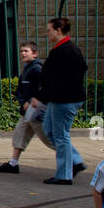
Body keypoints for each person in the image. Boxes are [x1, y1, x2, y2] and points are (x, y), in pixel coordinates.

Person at [39, 17, 87, 185]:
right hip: (59, 98)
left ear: (58, 30)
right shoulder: (66, 49)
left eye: (49, 30)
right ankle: (74, 161)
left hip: (64, 99)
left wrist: (44, 96)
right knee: (49, 130)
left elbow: (56, 78)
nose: (48, 34)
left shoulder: (65, 50)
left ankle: (64, 174)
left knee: (60, 135)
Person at [0, 41, 54, 173]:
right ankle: (13, 164)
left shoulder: (37, 69)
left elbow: (43, 89)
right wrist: (24, 102)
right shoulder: (28, 69)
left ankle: (72, 160)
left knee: (49, 139)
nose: (23, 53)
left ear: (35, 54)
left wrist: (32, 101)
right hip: (27, 112)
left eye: (26, 51)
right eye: (22, 51)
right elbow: (22, 90)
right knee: (19, 135)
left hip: (36, 112)